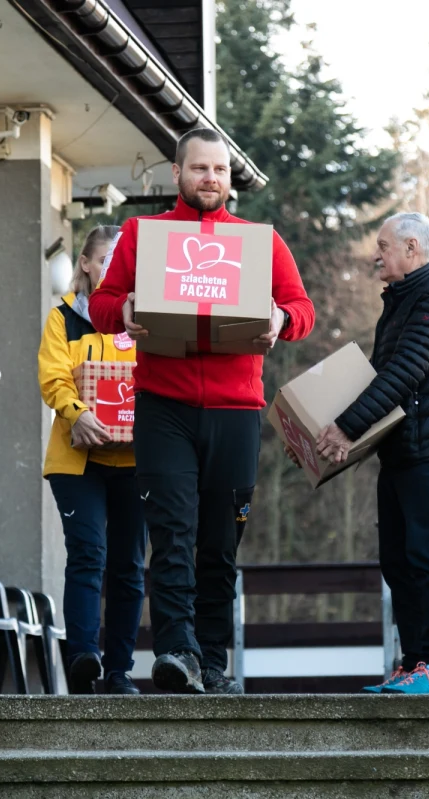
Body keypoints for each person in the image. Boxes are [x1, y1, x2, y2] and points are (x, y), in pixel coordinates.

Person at [89, 129, 315, 694]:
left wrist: (281, 319)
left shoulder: (258, 242)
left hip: (236, 411)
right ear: (177, 173)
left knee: (219, 542)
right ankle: (177, 653)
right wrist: (125, 308)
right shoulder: (143, 235)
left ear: (229, 177)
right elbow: (100, 304)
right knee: (171, 534)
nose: (210, 178)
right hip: (162, 406)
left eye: (219, 169)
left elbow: (302, 307)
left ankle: (212, 662)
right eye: (199, 168)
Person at [314, 212, 429, 695]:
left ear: (411, 247)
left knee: (427, 557)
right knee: (397, 561)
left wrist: (346, 428)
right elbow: (377, 377)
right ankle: (414, 663)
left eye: (383, 246)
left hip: (428, 452)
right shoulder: (400, 303)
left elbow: (403, 374)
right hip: (399, 452)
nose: (375, 255)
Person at [38, 225, 146, 696]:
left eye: (125, 264)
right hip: (76, 459)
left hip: (136, 460)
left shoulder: (147, 320)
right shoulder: (62, 318)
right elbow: (53, 376)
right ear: (85, 263)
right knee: (87, 554)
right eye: (107, 261)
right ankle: (83, 658)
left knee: (129, 564)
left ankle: (120, 671)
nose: (115, 270)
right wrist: (76, 413)